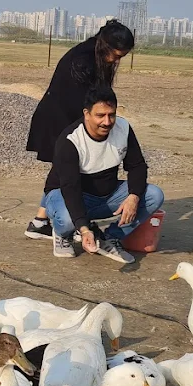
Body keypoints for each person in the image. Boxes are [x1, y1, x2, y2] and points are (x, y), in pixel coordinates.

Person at [24, 19, 135, 240]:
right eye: (116, 55)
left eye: (121, 56)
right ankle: (61, 222)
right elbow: (86, 102)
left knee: (61, 170)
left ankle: (40, 221)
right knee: (66, 170)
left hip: (69, 115)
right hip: (59, 118)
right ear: (105, 44)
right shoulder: (83, 60)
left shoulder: (94, 54)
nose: (116, 60)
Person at [41, 86, 163, 265]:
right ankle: (62, 233)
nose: (107, 122)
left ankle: (110, 238)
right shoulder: (70, 141)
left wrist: (133, 197)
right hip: (69, 195)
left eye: (111, 114)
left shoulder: (123, 129)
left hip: (107, 195)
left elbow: (137, 166)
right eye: (100, 115)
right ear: (86, 113)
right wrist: (83, 229)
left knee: (154, 195)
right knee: (67, 220)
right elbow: (71, 188)